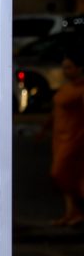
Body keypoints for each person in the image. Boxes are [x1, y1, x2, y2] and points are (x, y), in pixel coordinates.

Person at [46, 42, 84, 226]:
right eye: (64, 67)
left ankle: (79, 210)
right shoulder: (66, 87)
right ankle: (72, 213)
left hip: (74, 138)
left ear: (79, 69)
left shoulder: (80, 90)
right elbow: (57, 110)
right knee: (68, 177)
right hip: (60, 137)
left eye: (69, 67)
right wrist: (45, 127)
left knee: (60, 173)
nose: (65, 71)